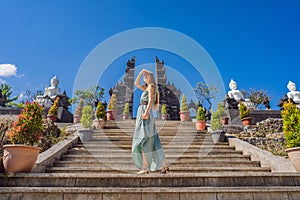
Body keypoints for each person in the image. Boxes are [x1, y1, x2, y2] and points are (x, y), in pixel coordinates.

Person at [132, 69, 170, 174]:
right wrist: (141, 72)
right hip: (142, 112)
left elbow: (149, 101)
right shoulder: (146, 87)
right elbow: (136, 83)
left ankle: (145, 167)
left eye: (145, 76)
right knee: (151, 140)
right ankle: (164, 164)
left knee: (143, 140)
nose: (143, 78)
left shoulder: (151, 86)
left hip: (145, 112)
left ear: (149, 78)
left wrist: (146, 113)